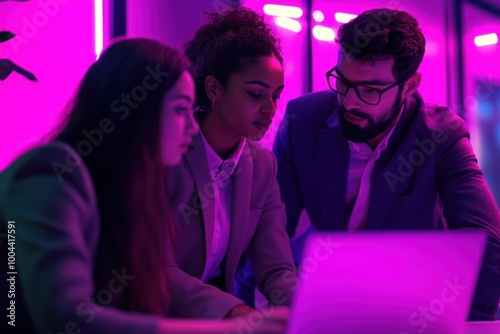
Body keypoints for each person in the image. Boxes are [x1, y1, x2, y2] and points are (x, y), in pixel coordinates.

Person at [0, 38, 289, 334]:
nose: (191, 128)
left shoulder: (131, 187)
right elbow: (65, 318)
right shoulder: (51, 171)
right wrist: (234, 327)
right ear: (136, 109)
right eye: (180, 110)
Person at [273, 8, 500, 321]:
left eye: (370, 90)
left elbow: (485, 238)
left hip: (415, 307)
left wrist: (470, 324)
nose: (349, 102)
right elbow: (270, 231)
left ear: (409, 86)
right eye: (342, 81)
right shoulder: (303, 121)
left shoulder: (440, 135)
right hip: (325, 300)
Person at [165, 7, 297, 319]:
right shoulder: (168, 153)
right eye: (256, 94)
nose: (270, 109)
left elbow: (276, 269)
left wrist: (308, 309)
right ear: (213, 89)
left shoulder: (262, 165)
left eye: (276, 96)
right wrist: (235, 313)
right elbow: (154, 269)